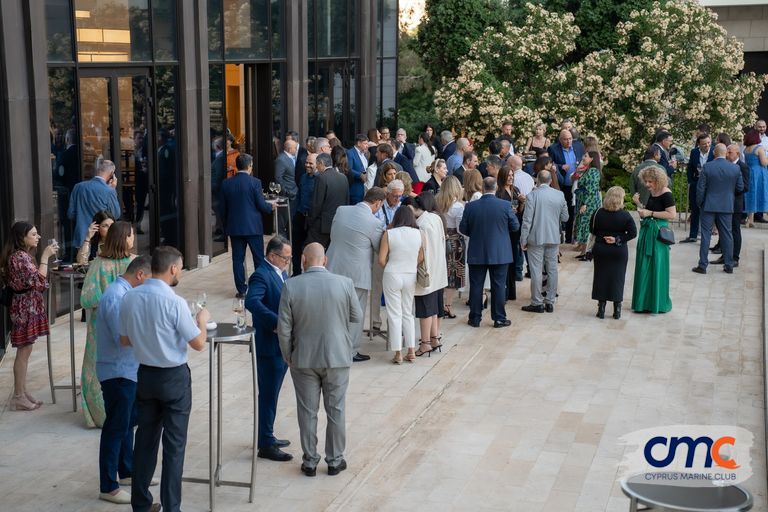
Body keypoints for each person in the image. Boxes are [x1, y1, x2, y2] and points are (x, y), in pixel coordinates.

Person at [119, 246, 209, 512]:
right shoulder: (174, 301)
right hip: (173, 377)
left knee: (145, 441)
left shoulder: (130, 297)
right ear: (173, 268)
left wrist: (148, 338)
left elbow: (124, 340)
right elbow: (198, 343)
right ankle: (172, 507)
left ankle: (140, 504)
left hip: (145, 374)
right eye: (180, 268)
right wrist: (202, 321)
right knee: (174, 446)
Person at [277, 243, 362, 477]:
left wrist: (288, 354)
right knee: (336, 410)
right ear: (325, 260)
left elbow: (284, 328)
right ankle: (335, 461)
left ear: (303, 260)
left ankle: (310, 461)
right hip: (337, 356)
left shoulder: (291, 285)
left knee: (307, 411)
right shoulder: (345, 283)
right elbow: (357, 316)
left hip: (303, 358)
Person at [96, 256, 152, 504]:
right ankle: (108, 486)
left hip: (127, 369)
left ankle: (126, 471)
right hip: (116, 372)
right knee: (116, 427)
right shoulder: (116, 296)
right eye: (149, 280)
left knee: (128, 422)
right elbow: (122, 338)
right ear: (140, 275)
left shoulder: (126, 294)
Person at [80, 221, 136, 428]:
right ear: (124, 238)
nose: (133, 238)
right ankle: (129, 413)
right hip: (130, 324)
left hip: (100, 324)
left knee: (98, 368)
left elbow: (86, 298)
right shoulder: (136, 263)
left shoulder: (98, 264)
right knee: (130, 365)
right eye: (131, 235)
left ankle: (101, 415)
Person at [245, 236, 294, 462]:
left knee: (272, 393)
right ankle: (265, 443)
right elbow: (252, 302)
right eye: (285, 258)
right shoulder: (261, 274)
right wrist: (276, 322)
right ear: (272, 256)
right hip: (268, 345)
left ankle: (268, 435)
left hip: (281, 345)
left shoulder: (280, 273)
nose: (287, 262)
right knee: (267, 394)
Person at [0, 222, 56, 411]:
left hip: (26, 307)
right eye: (33, 234)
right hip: (24, 309)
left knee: (26, 349)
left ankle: (22, 392)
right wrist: (45, 257)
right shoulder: (20, 257)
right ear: (22, 238)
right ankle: (18, 396)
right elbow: (39, 282)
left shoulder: (20, 256)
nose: (38, 236)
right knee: (23, 351)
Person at [326, 188, 386, 362]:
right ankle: (350, 351)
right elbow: (379, 248)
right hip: (357, 275)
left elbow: (333, 234)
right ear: (377, 203)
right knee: (355, 314)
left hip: (333, 267)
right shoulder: (374, 222)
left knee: (334, 312)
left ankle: (332, 347)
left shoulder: (341, 210)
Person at [460, 177, 519, 327]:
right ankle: (499, 318)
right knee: (498, 286)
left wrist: (475, 233)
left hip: (477, 251)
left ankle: (475, 318)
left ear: (482, 188)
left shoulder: (471, 206)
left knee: (476, 286)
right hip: (500, 252)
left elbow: (463, 228)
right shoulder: (505, 205)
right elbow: (515, 226)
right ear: (496, 188)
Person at [221, 153, 277, 298]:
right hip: (253, 227)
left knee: (237, 260)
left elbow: (222, 208)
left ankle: (241, 290)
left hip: (235, 227)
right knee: (258, 259)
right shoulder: (255, 182)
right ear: (250, 166)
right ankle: (260, 288)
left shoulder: (226, 183)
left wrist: (226, 225)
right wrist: (270, 207)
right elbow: (261, 204)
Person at [520, 171, 569, 314]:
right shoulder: (559, 195)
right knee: (552, 269)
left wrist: (523, 239)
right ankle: (550, 301)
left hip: (535, 237)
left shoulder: (532, 195)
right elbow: (565, 217)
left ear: (537, 180)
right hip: (553, 237)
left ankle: (537, 302)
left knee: (536, 270)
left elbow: (527, 220)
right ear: (550, 181)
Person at [691, 144, 744, 275]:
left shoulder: (707, 167)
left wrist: (699, 203)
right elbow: (740, 187)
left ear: (714, 153)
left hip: (708, 205)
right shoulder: (735, 168)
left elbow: (700, 188)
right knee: (727, 235)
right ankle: (729, 265)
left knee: (706, 235)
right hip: (726, 205)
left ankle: (702, 265)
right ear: (726, 153)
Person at [378, 208, 422, 363]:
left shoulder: (389, 234)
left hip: (392, 274)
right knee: (408, 312)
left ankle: (398, 354)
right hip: (410, 274)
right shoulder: (419, 234)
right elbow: (421, 257)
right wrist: (411, 266)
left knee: (394, 314)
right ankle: (411, 351)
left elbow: (381, 259)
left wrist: (391, 268)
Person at [631, 165, 676, 314]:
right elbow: (649, 210)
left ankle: (656, 303)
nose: (647, 184)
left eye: (650, 181)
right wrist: (638, 204)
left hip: (658, 235)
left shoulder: (666, 193)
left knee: (656, 266)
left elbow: (672, 214)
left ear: (658, 180)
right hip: (647, 232)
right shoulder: (653, 191)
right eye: (646, 181)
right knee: (644, 267)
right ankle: (644, 303)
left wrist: (649, 213)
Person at [589, 187, 637, 320]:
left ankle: (601, 308)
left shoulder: (598, 213)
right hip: (618, 250)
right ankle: (617, 309)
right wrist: (617, 239)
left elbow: (592, 229)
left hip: (601, 249)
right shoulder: (625, 215)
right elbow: (633, 233)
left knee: (600, 277)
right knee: (618, 278)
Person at [411, 192, 449, 356]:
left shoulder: (421, 224)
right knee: (434, 307)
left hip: (426, 271)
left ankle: (425, 343)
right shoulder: (436, 218)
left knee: (425, 308)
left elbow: (421, 251)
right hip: (439, 270)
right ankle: (435, 338)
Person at [68, 159, 121, 255]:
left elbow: (71, 214)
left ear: (97, 170)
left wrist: (82, 219)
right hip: (101, 240)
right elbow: (115, 215)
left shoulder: (78, 187)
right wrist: (113, 189)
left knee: (81, 264)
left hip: (82, 237)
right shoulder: (109, 191)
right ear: (112, 174)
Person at [548, 129, 585, 242]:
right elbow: (549, 164)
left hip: (575, 185)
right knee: (560, 211)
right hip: (561, 186)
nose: (569, 141)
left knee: (572, 211)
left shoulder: (578, 147)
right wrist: (560, 166)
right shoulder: (553, 149)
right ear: (560, 140)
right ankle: (558, 236)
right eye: (565, 139)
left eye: (570, 139)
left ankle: (569, 238)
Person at [436, 176, 465, 318]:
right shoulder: (458, 206)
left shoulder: (436, 202)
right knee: (453, 275)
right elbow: (460, 229)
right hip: (455, 243)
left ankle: (438, 304)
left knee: (440, 272)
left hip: (439, 239)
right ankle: (447, 306)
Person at [307, 153, 349, 248]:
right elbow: (347, 201)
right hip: (338, 223)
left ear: (321, 163)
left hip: (321, 225)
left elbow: (317, 203)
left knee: (312, 250)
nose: (316, 167)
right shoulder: (343, 177)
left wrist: (310, 220)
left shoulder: (321, 178)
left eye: (317, 164)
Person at [495, 165, 525, 294]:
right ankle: (505, 289)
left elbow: (520, 211)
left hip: (515, 227)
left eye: (512, 175)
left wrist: (522, 202)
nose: (511, 178)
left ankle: (511, 290)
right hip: (504, 228)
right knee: (506, 258)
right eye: (508, 176)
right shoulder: (499, 192)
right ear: (503, 177)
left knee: (514, 256)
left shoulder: (515, 190)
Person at [681, 134, 714, 243]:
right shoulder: (694, 152)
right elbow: (690, 167)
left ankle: (706, 236)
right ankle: (693, 235)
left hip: (710, 184)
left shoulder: (714, 151)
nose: (707, 145)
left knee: (708, 209)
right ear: (699, 144)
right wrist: (691, 181)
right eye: (704, 144)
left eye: (708, 143)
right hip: (696, 182)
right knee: (695, 209)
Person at [722, 144, 750, 266]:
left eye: (730, 152)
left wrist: (729, 190)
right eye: (726, 152)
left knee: (734, 230)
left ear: (737, 154)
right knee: (724, 230)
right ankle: (725, 255)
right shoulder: (725, 165)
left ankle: (735, 258)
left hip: (735, 203)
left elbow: (745, 187)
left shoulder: (742, 167)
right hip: (724, 203)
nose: (727, 154)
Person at [573, 151, 603, 259]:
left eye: (586, 156)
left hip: (589, 203)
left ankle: (587, 252)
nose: (583, 157)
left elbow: (591, 189)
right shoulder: (588, 170)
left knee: (586, 225)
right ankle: (583, 251)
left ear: (592, 159)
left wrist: (585, 204)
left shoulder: (593, 171)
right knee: (583, 224)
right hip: (584, 200)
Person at [292, 153, 317, 275]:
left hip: (312, 220)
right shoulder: (303, 177)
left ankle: (311, 274)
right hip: (300, 216)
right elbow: (299, 196)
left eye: (311, 163)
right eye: (306, 162)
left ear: (317, 164)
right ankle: (296, 273)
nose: (307, 165)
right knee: (296, 248)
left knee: (311, 248)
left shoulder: (320, 180)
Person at [743, 129, 768, 227]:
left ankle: (750, 220)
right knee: (763, 193)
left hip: (749, 172)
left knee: (751, 194)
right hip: (759, 173)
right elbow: (764, 163)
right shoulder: (759, 148)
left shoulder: (746, 149)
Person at [346, 134, 369, 204]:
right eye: (365, 143)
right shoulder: (350, 153)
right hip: (355, 188)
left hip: (364, 187)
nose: (367, 146)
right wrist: (360, 175)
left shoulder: (364, 154)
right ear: (359, 143)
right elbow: (348, 169)